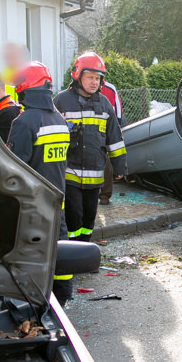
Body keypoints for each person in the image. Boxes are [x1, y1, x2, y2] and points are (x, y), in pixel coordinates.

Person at [6, 62, 74, 305]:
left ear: (24, 88)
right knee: (59, 248)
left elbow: (14, 168)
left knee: (32, 254)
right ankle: (63, 295)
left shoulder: (24, 122)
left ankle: (35, 300)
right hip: (57, 200)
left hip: (32, 205)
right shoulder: (58, 119)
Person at [54, 51, 128, 241]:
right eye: (90, 77)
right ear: (77, 75)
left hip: (95, 175)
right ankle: (72, 248)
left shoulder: (104, 104)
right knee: (73, 215)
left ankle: (84, 246)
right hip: (70, 172)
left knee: (88, 217)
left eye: (97, 78)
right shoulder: (61, 101)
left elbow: (114, 138)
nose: (94, 82)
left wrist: (120, 166)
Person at [97, 80, 125, 205]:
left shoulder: (110, 89)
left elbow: (118, 115)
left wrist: (114, 132)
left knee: (107, 165)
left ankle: (105, 195)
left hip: (106, 133)